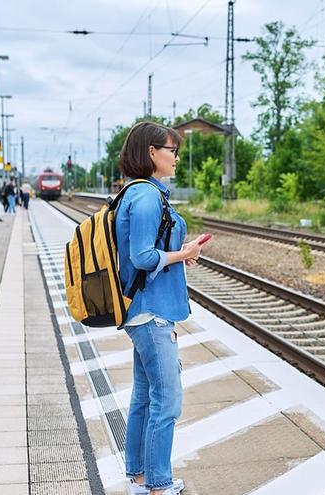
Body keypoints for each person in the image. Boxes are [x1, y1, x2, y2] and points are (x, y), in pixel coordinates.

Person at [116, 121, 210, 495]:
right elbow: (140, 256)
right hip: (151, 312)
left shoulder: (142, 193)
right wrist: (181, 253)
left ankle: (139, 477)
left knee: (144, 396)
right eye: (172, 150)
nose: (176, 157)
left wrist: (179, 257)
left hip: (145, 308)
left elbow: (150, 253)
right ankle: (158, 484)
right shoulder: (146, 197)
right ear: (151, 152)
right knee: (167, 401)